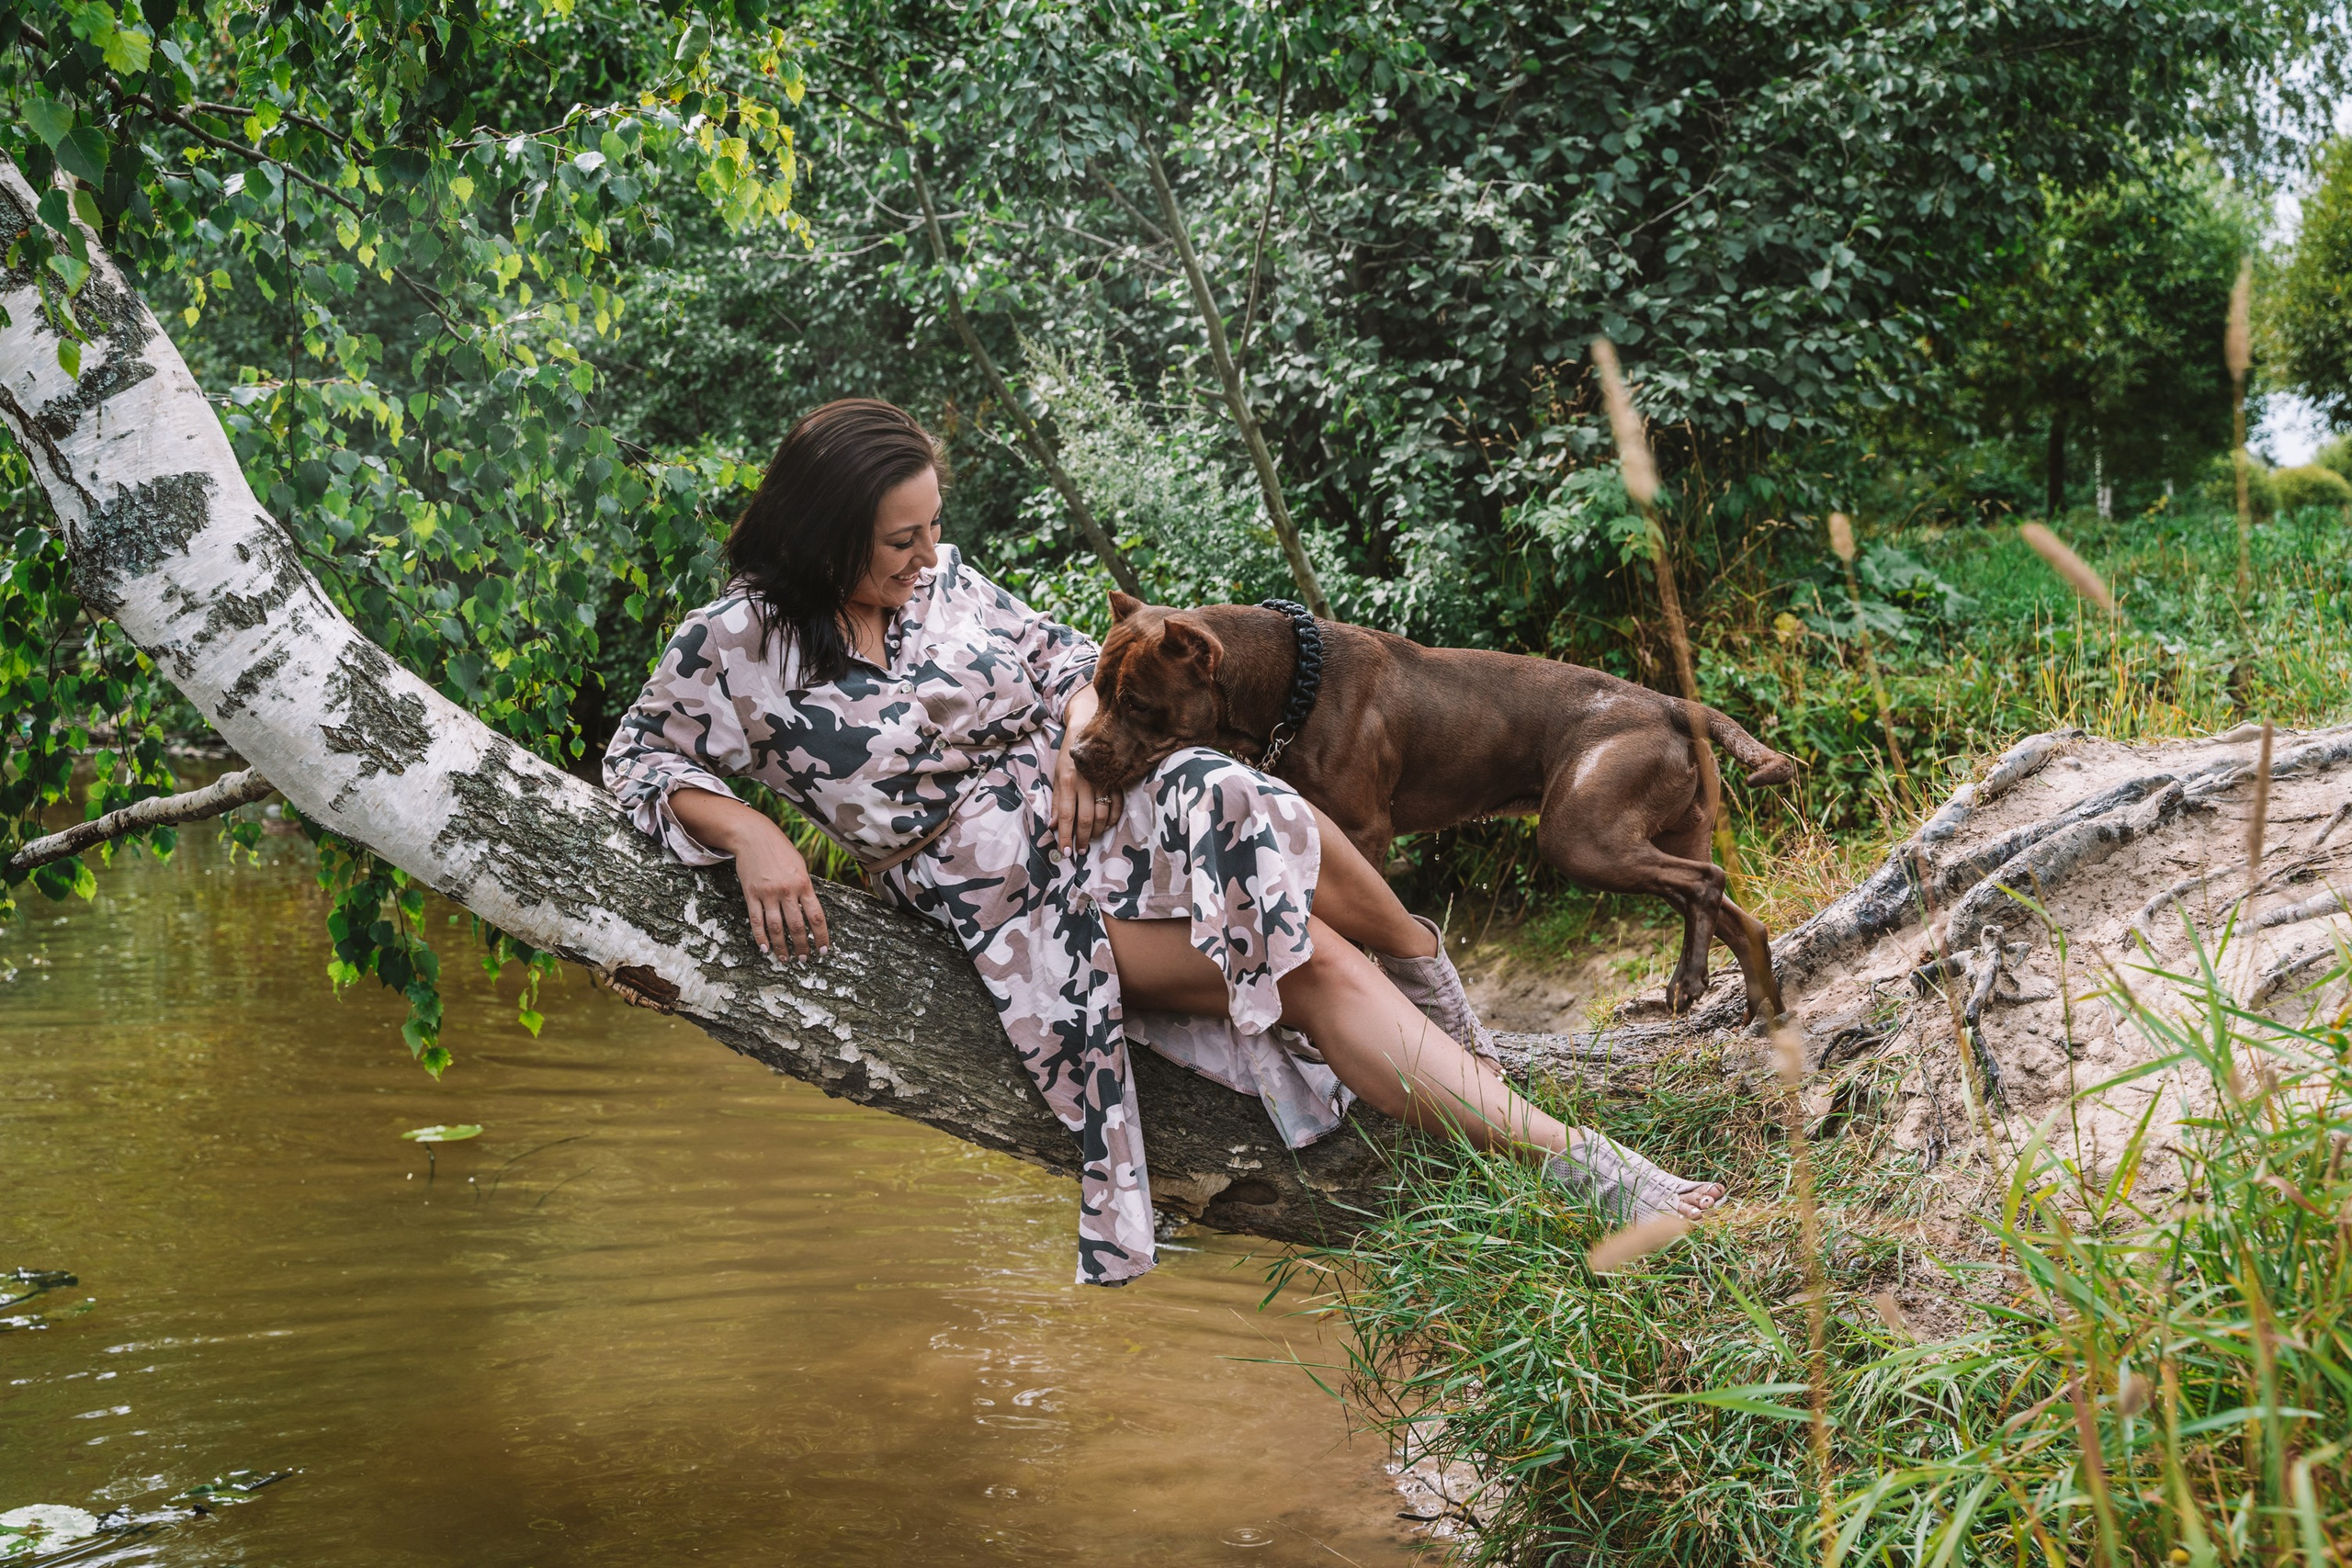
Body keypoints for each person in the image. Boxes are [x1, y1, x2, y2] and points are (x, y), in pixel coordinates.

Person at [605, 399, 1723, 1286]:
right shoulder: (732, 645)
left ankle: (1452, 1031)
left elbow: (1065, 673)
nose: (928, 552)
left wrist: (1070, 748)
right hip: (998, 887)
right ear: (825, 531)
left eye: (933, 525)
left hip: (1096, 804)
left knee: (1241, 794)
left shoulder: (946, 586)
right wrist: (750, 826)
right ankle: (1586, 1165)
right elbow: (641, 760)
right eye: (902, 537)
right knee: (1304, 961)